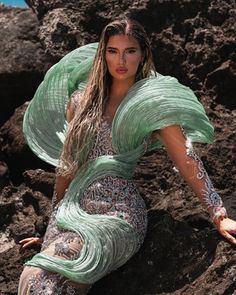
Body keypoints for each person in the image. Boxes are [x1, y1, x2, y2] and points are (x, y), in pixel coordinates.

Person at [18, 18, 236, 294]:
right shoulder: (79, 102)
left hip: (119, 215)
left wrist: (218, 214)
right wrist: (52, 229)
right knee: (34, 274)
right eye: (113, 51)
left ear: (142, 54)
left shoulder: (152, 103)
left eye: (130, 51)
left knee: (44, 279)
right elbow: (67, 167)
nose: (121, 59)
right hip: (75, 211)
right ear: (103, 54)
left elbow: (186, 158)